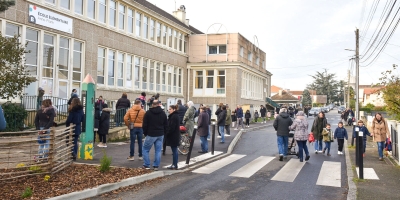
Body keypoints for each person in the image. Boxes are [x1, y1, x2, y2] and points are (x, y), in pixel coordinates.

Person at [142, 100, 168, 170]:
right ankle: (156, 165)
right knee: (158, 150)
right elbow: (166, 125)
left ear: (152, 105)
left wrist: (145, 133)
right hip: (160, 134)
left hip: (151, 134)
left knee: (145, 149)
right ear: (159, 104)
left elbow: (144, 125)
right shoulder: (163, 113)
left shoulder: (148, 113)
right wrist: (164, 133)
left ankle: (146, 164)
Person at [165, 105, 180, 169]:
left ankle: (174, 164)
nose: (169, 110)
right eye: (168, 109)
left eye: (170, 109)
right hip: (175, 135)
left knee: (174, 150)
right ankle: (174, 164)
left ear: (174, 109)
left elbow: (171, 127)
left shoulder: (173, 117)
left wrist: (167, 132)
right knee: (174, 150)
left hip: (173, 136)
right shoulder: (175, 116)